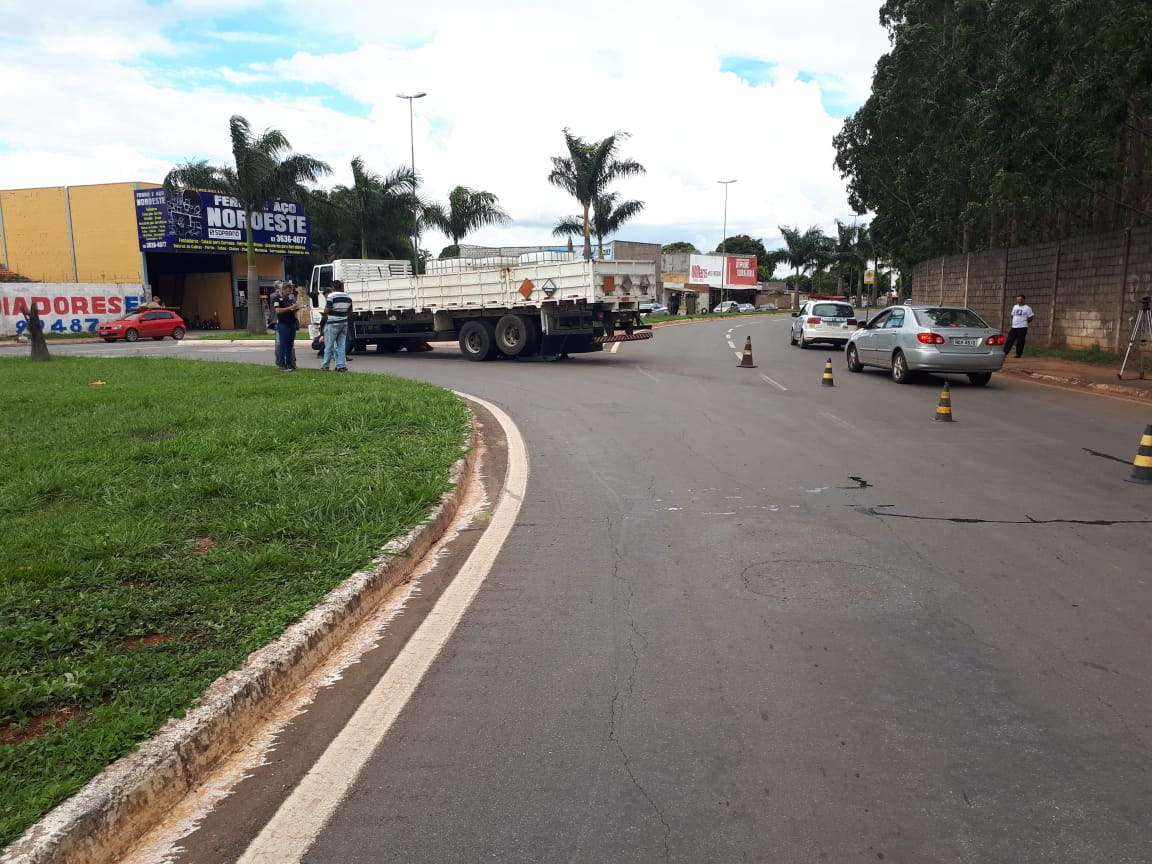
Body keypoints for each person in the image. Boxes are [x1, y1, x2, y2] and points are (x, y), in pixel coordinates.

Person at [319, 279, 353, 372]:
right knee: (341, 345)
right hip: (344, 323)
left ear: (333, 287)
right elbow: (350, 312)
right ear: (341, 287)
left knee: (329, 345)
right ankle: (341, 366)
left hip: (333, 323)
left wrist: (325, 314)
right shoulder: (348, 297)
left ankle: (325, 365)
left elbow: (327, 310)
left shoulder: (331, 296)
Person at [272, 281, 299, 370]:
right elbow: (278, 310)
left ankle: (289, 363)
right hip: (283, 324)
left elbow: (291, 310)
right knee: (282, 345)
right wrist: (290, 308)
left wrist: (295, 309)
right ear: (282, 290)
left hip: (291, 323)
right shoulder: (277, 299)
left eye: (290, 291)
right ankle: (281, 364)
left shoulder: (289, 299)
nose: (289, 293)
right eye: (287, 291)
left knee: (290, 345)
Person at [1003, 293, 1034, 358]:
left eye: (1020, 299)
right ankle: (1005, 352)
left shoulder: (1027, 308)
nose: (1018, 301)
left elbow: (1031, 316)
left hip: (1022, 327)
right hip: (1014, 327)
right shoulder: (1015, 306)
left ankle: (1018, 354)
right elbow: (1012, 315)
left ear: (1023, 300)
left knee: (1020, 341)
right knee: (1009, 339)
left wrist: (1026, 322)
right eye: (1017, 299)